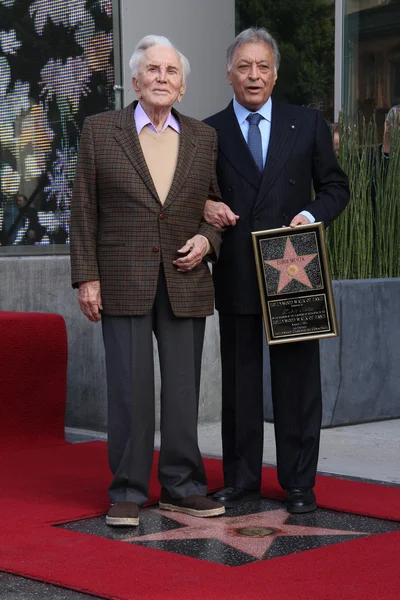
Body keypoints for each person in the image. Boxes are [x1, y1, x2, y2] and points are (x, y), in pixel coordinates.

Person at [70, 35, 225, 526]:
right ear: (135, 81)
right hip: (121, 278)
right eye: (153, 70)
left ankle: (182, 487)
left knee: (182, 393)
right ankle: (129, 491)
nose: (162, 78)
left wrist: (206, 242)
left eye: (171, 72)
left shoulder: (203, 138)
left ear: (182, 87)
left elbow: (213, 208)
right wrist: (86, 277)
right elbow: (82, 210)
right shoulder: (100, 130)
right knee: (130, 391)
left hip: (185, 279)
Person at [204, 28, 350, 514]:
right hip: (239, 272)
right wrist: (206, 205)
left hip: (293, 266)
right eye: (244, 66)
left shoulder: (306, 123)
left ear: (275, 73)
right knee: (240, 386)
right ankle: (242, 480)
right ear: (229, 73)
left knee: (298, 382)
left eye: (263, 66)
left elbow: (335, 187)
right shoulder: (208, 131)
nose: (254, 75)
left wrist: (310, 216)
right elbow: (193, 192)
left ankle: (299, 482)